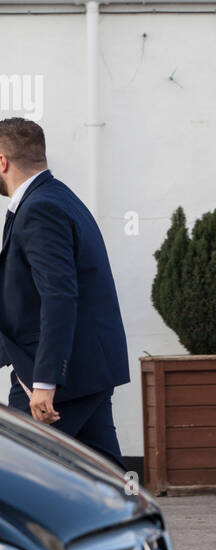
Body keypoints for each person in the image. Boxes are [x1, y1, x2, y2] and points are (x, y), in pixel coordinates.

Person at [0, 119, 129, 468]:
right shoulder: (58, 198)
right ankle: (134, 523)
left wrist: (45, 380)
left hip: (60, 380)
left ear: (2, 162)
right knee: (106, 478)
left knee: (19, 474)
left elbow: (58, 295)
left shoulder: (41, 209)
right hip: (85, 371)